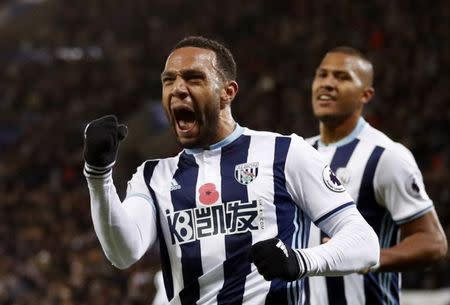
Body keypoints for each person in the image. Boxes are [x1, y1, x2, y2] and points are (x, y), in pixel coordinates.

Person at [82, 36, 379, 305]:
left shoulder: (284, 153)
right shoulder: (152, 177)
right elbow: (123, 253)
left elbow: (365, 243)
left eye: (194, 78)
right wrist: (99, 175)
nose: (178, 89)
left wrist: (300, 261)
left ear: (227, 92)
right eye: (168, 80)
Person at [305, 46, 448, 305]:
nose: (327, 83)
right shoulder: (299, 153)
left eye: (342, 77)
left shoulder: (385, 156)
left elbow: (433, 243)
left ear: (366, 94)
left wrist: (368, 257)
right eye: (322, 75)